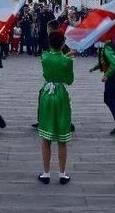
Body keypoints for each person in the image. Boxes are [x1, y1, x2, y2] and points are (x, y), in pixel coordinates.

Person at [37, 30, 74, 185]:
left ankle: (46, 173)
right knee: (62, 138)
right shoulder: (67, 61)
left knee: (46, 138)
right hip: (60, 95)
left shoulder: (44, 57)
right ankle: (62, 173)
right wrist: (67, 59)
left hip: (46, 93)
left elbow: (50, 64)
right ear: (63, 44)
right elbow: (69, 80)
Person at [89, 41, 115, 135]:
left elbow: (114, 63)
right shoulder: (105, 48)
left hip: (112, 77)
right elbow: (103, 62)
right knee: (113, 99)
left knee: (109, 99)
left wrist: (106, 75)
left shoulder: (107, 49)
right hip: (112, 77)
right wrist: (94, 68)